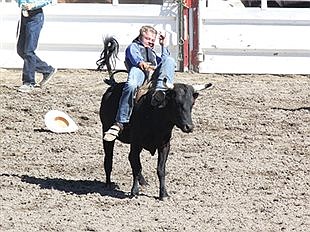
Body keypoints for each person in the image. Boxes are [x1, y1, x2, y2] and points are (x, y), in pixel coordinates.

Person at [104, 25, 176, 142]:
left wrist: (164, 45)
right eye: (148, 39)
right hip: (140, 72)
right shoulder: (134, 47)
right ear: (140, 37)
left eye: (153, 40)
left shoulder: (152, 54)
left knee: (170, 60)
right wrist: (141, 63)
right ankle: (121, 121)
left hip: (153, 76)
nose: (151, 42)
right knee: (131, 85)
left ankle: (159, 93)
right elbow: (133, 56)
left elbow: (164, 62)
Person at [16, 0, 57, 93]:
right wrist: (21, 4)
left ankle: (29, 82)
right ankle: (47, 69)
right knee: (21, 50)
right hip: (24, 14)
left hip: (35, 15)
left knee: (29, 50)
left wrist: (33, 5)